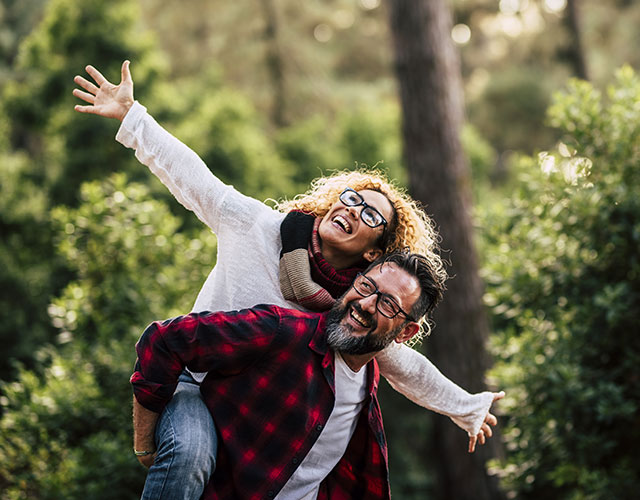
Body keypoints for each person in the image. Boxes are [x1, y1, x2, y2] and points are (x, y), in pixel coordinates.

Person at [73, 61, 503, 500]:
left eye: (370, 215)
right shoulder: (257, 227)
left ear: (375, 252)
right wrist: (132, 116)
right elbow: (192, 177)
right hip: (198, 379)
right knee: (191, 452)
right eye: (351, 199)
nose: (354, 210)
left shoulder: (356, 304)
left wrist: (465, 407)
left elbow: (402, 365)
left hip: (251, 410)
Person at [132, 252, 451, 499]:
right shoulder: (283, 331)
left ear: (406, 332)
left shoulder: (368, 384)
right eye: (367, 286)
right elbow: (163, 339)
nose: (366, 304)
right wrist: (145, 446)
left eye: (388, 305)